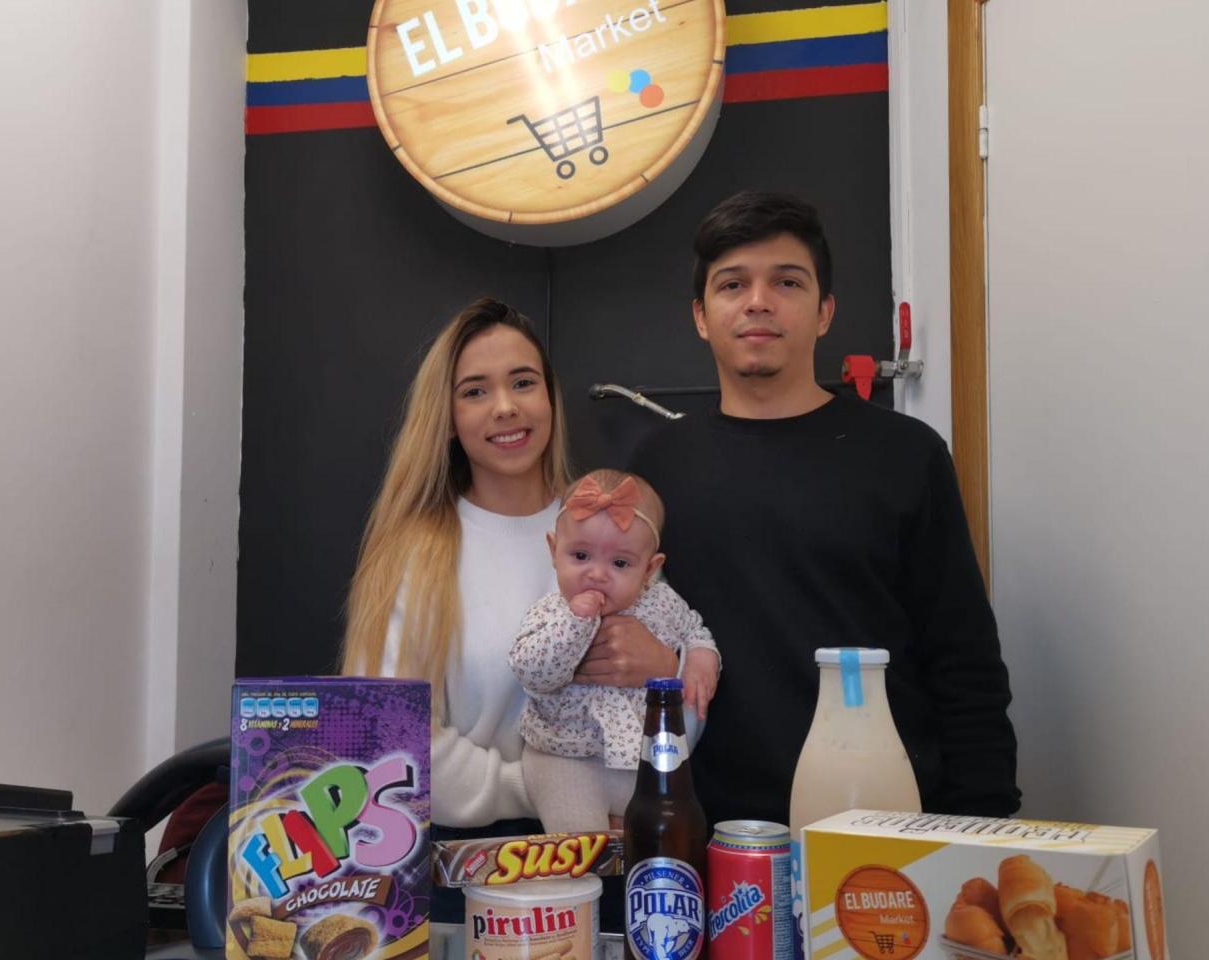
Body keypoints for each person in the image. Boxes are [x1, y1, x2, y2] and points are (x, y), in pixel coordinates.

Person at [628, 191, 1021, 827]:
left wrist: (986, 824)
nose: (759, 301)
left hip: (883, 822)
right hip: (711, 834)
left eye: (786, 281)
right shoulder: (655, 468)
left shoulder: (905, 454)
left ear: (825, 311)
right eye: (733, 284)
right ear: (701, 316)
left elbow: (964, 659)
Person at [341, 297, 573, 832]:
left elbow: (674, 710)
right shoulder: (416, 554)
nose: (505, 407)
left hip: (605, 861)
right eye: (475, 391)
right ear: (446, 419)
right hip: (461, 872)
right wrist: (537, 789)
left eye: (523, 382)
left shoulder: (610, 526)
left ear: (550, 398)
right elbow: (392, 740)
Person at [510, 468, 721, 833]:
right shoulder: (552, 611)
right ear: (553, 551)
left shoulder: (662, 603)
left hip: (639, 759)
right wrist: (575, 624)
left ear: (650, 570)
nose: (597, 574)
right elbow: (533, 673)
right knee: (580, 856)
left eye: (620, 563)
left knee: (653, 842)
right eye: (580, 556)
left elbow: (695, 630)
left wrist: (701, 657)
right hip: (563, 758)